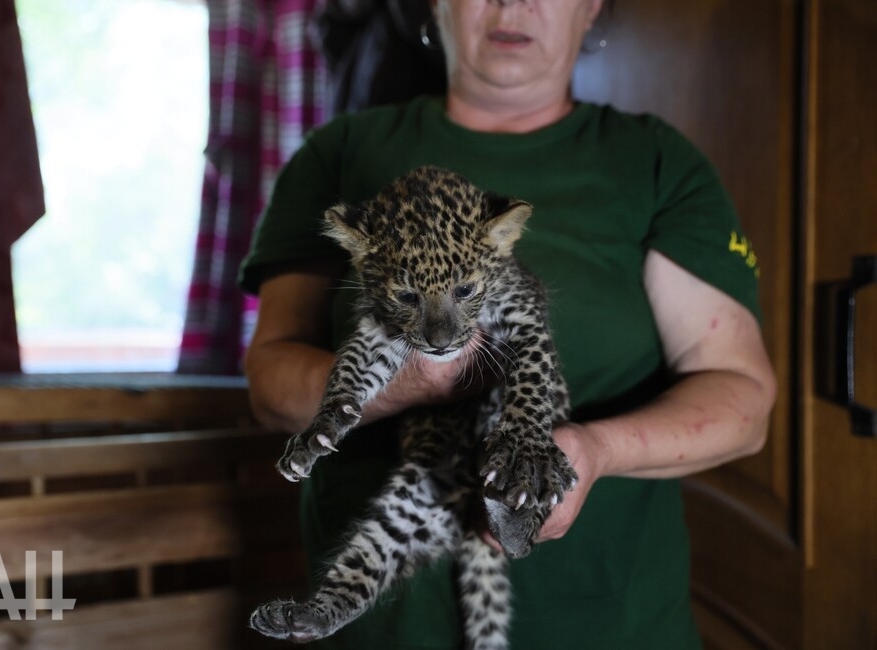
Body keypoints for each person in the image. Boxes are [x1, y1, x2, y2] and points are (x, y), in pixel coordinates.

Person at [238, 0, 777, 647]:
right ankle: (337, 603)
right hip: (389, 630)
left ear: (591, 8)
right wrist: (414, 380)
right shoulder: (340, 154)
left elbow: (743, 400)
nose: (511, 3)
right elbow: (269, 383)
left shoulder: (656, 163)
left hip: (608, 622)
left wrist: (593, 450)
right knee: (403, 511)